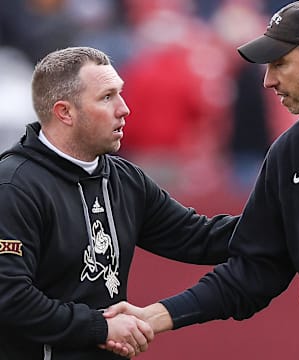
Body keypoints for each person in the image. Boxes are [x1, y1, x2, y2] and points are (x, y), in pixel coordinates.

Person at [103, 1, 299, 359]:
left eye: (280, 63)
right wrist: (153, 316)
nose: (268, 80)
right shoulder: (288, 154)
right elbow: (254, 271)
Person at [0, 46, 241, 360]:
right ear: (65, 112)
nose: (124, 108)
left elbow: (202, 238)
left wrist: (291, 217)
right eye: (106, 97)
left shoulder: (124, 178)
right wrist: (100, 328)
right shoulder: (14, 186)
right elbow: (10, 297)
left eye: (120, 94)